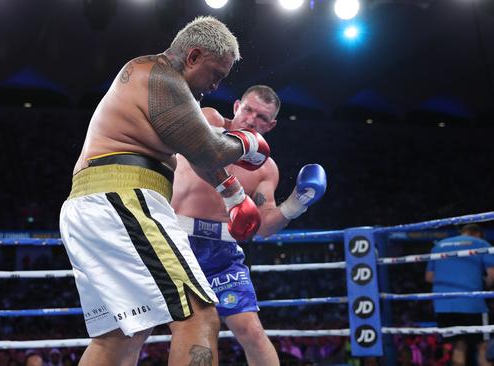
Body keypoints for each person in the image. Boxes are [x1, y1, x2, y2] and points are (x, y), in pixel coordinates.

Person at [59, 16, 272, 366]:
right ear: (193, 56)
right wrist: (249, 141)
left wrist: (232, 194)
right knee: (199, 315)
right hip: (124, 197)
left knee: (120, 337)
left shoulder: (158, 87)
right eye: (215, 74)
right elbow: (212, 149)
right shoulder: (160, 75)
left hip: (94, 203)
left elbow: (197, 153)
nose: (215, 86)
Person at [171, 85, 327, 366]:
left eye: (262, 117)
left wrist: (296, 203)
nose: (253, 119)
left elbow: (264, 226)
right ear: (236, 107)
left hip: (223, 253)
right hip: (177, 243)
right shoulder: (208, 121)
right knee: (197, 327)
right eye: (248, 110)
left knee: (251, 331)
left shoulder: (267, 169)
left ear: (272, 125)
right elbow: (194, 147)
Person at [426, 223, 494, 366]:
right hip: (472, 304)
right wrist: (483, 283)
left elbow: (429, 277)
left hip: (443, 305)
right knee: (482, 347)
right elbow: (492, 276)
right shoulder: (481, 243)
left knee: (459, 346)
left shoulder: (438, 246)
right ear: (477, 233)